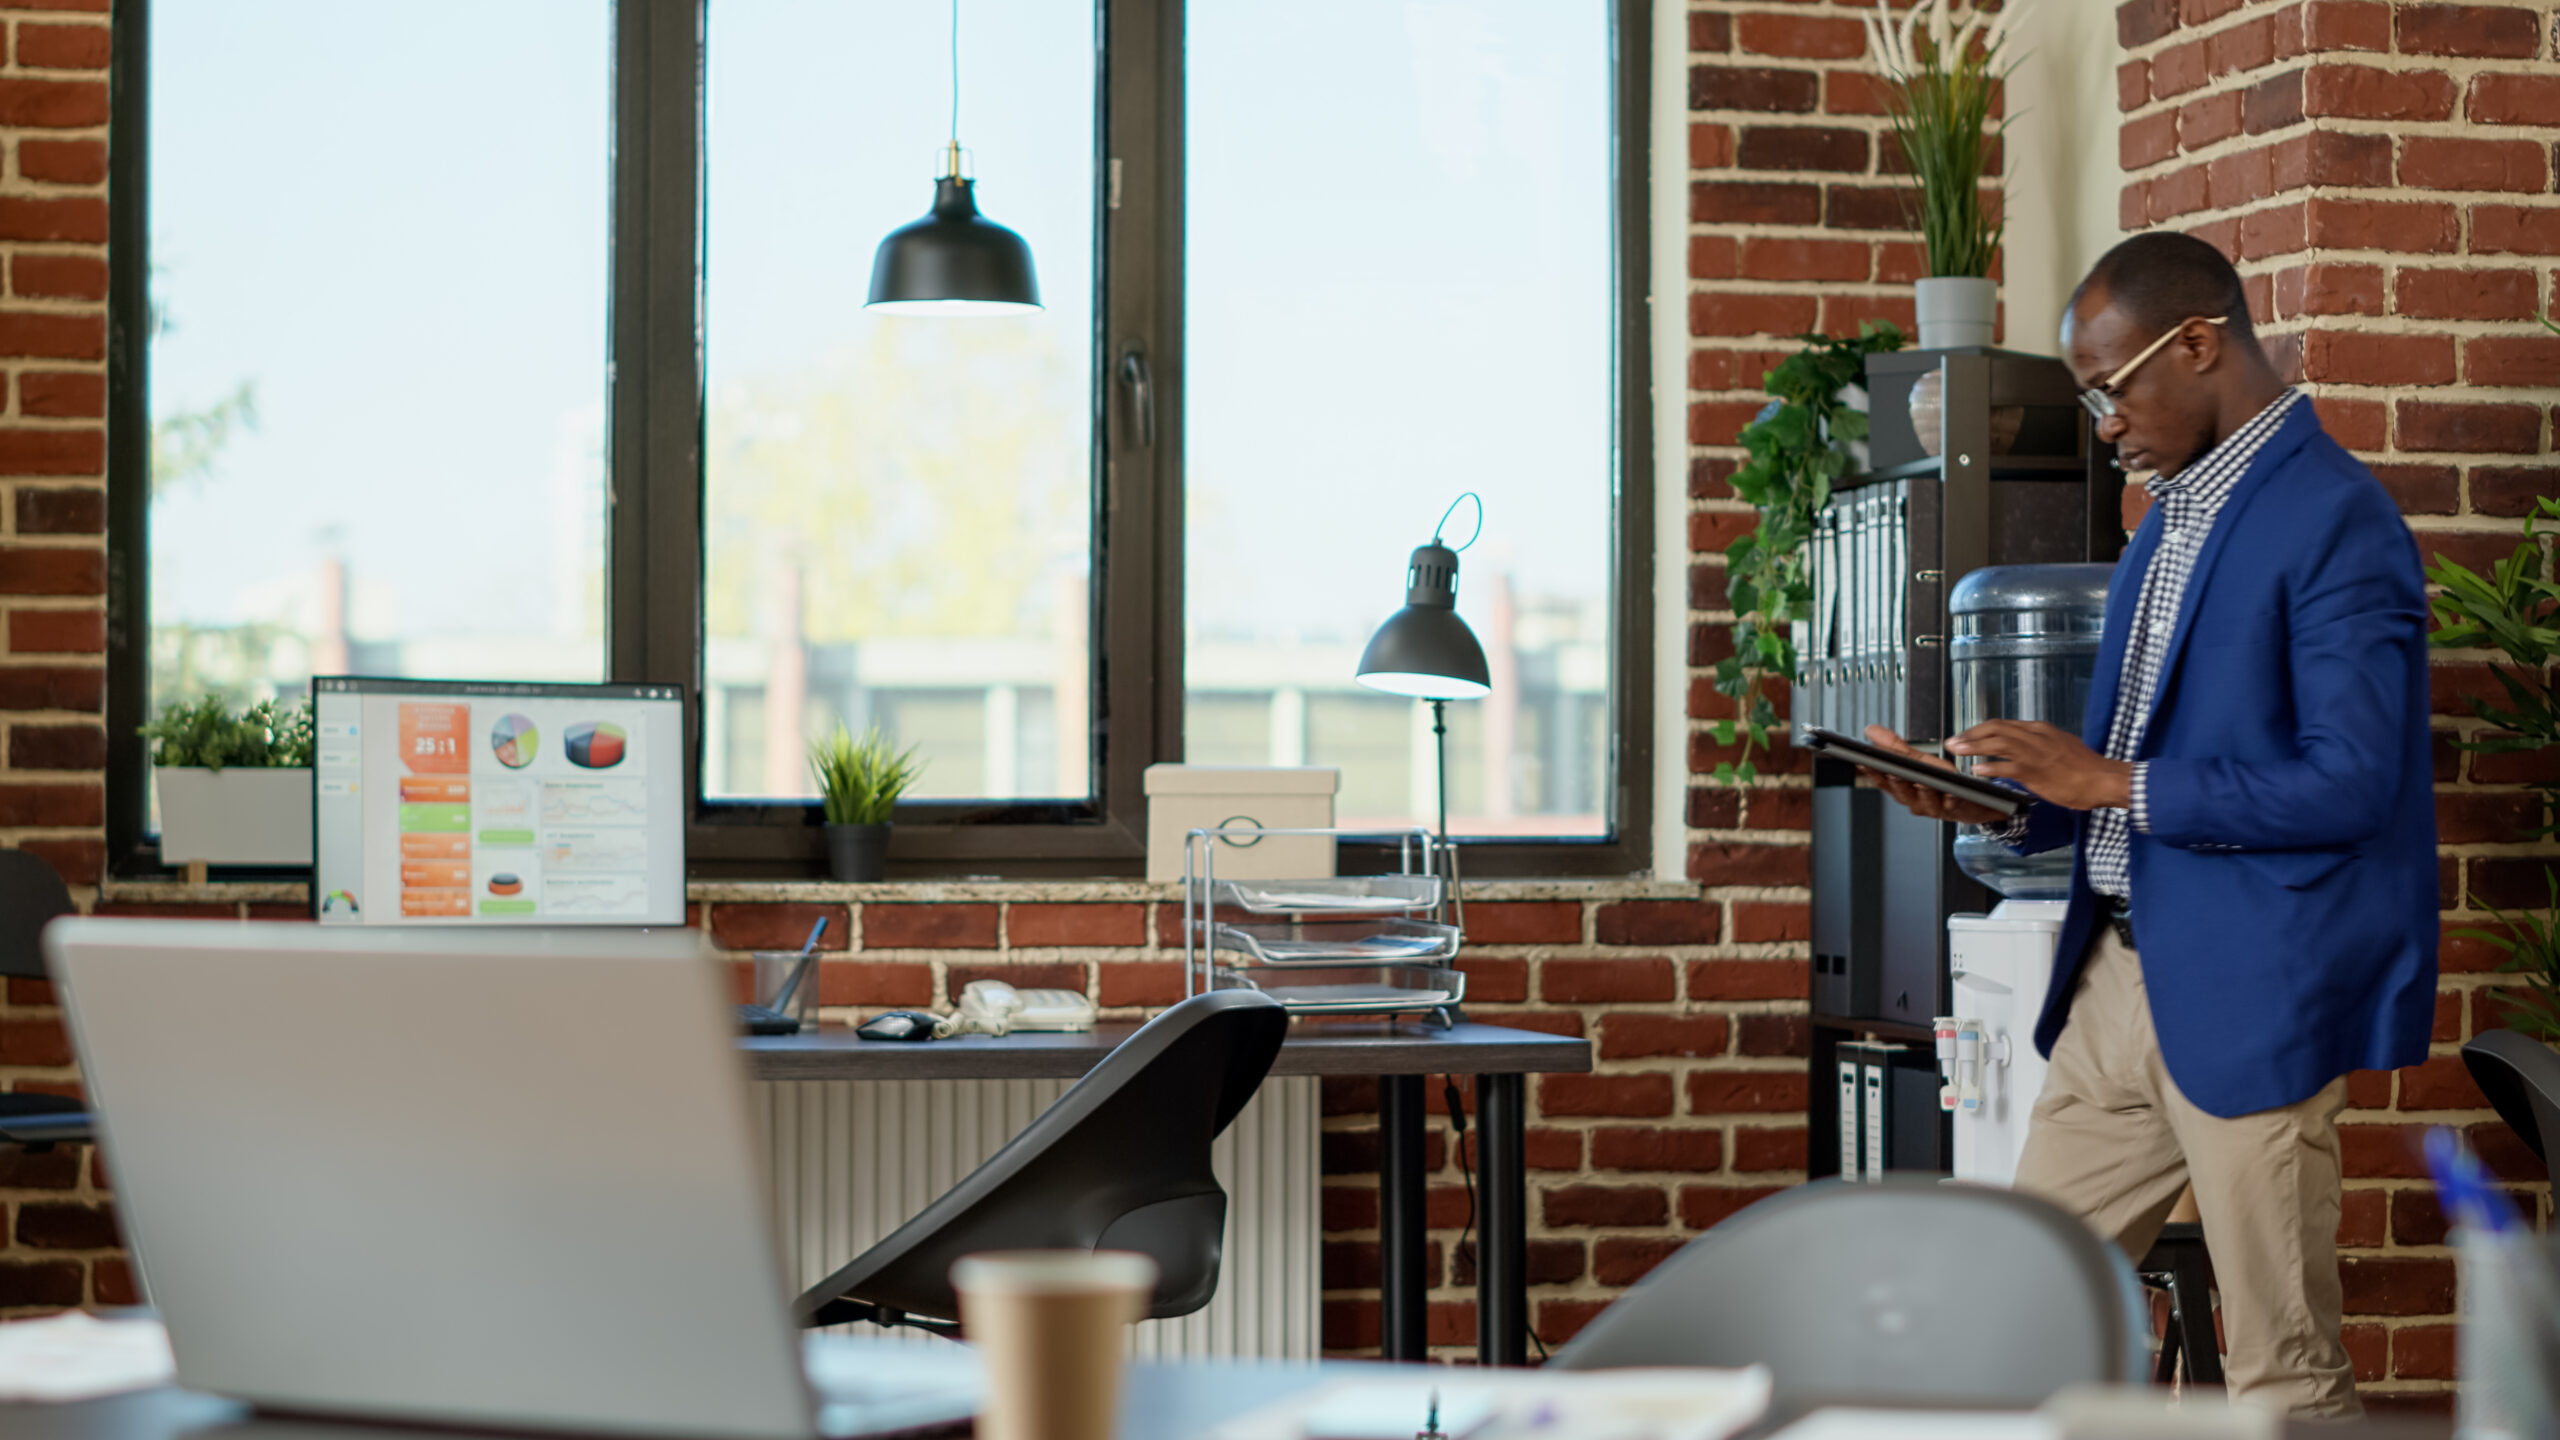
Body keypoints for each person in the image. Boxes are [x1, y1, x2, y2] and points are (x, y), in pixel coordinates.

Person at [1862, 231, 2437, 1417]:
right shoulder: (2166, 522)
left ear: (2197, 343)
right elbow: (2116, 773)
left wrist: (2107, 786)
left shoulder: (2338, 520)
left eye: (2105, 389)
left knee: (2284, 1375)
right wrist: (1995, 802)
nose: (2100, 423)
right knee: (2009, 1324)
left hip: (2253, 996)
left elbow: (2351, 784)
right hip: (2114, 986)